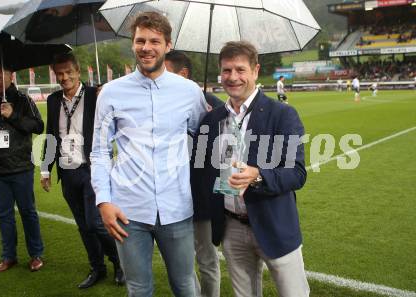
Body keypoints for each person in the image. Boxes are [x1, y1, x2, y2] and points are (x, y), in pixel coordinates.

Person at [90, 12, 207, 297]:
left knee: (186, 286)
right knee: (139, 289)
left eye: (155, 41)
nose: (146, 47)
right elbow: (100, 151)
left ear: (168, 45)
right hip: (128, 211)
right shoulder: (111, 93)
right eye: (140, 40)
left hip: (176, 208)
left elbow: (201, 138)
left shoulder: (190, 92)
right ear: (133, 44)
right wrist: (103, 201)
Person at [191, 41, 309, 297]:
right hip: (231, 227)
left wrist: (258, 175)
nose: (233, 77)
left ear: (255, 70)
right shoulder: (211, 120)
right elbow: (201, 170)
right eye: (226, 70)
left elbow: (297, 172)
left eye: (240, 70)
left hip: (274, 222)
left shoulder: (282, 114)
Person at [40, 53, 125, 289]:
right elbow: (50, 135)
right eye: (59, 73)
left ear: (78, 72)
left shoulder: (95, 95)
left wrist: (108, 92)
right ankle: (97, 268)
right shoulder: (53, 99)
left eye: (68, 72)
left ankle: (119, 263)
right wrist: (46, 169)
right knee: (82, 226)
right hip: (67, 172)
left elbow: (118, 116)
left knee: (96, 224)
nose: (64, 77)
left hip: (92, 169)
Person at [0, 65, 44, 273]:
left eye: (0, 77)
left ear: (10, 76)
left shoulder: (24, 101)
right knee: (3, 215)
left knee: (28, 213)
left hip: (21, 167)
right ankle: (9, 257)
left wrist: (13, 115)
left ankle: (36, 254)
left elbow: (38, 127)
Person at [165, 50, 221, 297]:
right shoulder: (161, 107)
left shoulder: (215, 106)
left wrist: (209, 120)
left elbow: (225, 152)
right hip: (171, 199)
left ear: (183, 74)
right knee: (181, 263)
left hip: (201, 197)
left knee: (206, 259)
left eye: (164, 72)